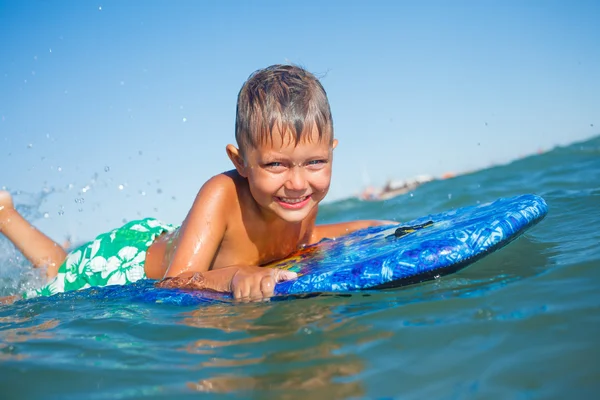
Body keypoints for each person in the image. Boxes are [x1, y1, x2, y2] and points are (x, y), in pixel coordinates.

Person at [0, 64, 391, 303]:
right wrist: (236, 276)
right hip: (127, 262)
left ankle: (5, 214)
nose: (298, 182)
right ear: (240, 162)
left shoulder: (299, 196)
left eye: (315, 162)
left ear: (331, 152)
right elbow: (175, 283)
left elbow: (304, 240)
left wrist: (367, 231)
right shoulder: (221, 194)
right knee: (51, 287)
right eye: (276, 164)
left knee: (60, 267)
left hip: (165, 237)